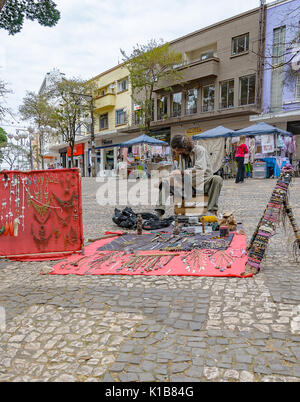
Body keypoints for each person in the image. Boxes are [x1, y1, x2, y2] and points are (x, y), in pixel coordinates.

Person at [155, 135, 223, 216]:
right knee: (165, 182)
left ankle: (211, 211)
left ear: (185, 146)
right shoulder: (182, 155)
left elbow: (200, 169)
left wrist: (181, 172)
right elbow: (179, 172)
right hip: (188, 185)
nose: (177, 153)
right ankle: (159, 211)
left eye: (177, 150)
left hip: (203, 183)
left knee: (217, 179)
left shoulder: (200, 150)